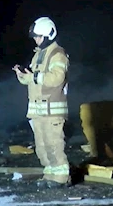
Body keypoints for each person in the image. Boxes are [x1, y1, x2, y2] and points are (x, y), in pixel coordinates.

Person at [12, 16, 71, 187]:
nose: (36, 40)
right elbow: (34, 80)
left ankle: (60, 178)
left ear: (49, 35)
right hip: (39, 112)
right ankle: (50, 174)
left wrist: (34, 76)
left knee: (54, 145)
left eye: (39, 37)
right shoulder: (39, 55)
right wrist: (23, 77)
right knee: (42, 146)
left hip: (52, 111)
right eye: (35, 37)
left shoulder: (58, 54)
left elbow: (56, 78)